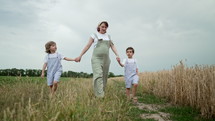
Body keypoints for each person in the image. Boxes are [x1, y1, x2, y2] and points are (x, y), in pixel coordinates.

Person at [75, 21, 120, 97]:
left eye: (105, 27)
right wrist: (80, 56)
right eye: (102, 26)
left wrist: (117, 55)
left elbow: (112, 46)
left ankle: (101, 92)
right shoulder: (94, 35)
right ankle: (100, 96)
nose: (104, 28)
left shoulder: (108, 36)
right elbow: (87, 46)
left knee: (104, 77)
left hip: (106, 59)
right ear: (99, 26)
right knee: (98, 75)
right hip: (96, 58)